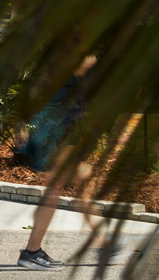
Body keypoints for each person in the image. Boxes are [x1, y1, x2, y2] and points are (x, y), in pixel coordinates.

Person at [15, 56, 97, 270]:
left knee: (81, 180)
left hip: (63, 120)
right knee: (55, 186)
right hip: (62, 122)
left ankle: (104, 242)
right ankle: (32, 251)